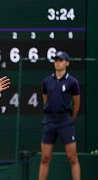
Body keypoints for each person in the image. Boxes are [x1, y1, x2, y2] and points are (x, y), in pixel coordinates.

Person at [38, 51, 81, 180]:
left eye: (61, 60)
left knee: (72, 157)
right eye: (56, 60)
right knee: (45, 158)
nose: (58, 62)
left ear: (67, 63)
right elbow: (45, 100)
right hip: (50, 121)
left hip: (65, 121)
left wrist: (69, 119)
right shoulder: (47, 81)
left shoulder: (73, 82)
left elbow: (76, 104)